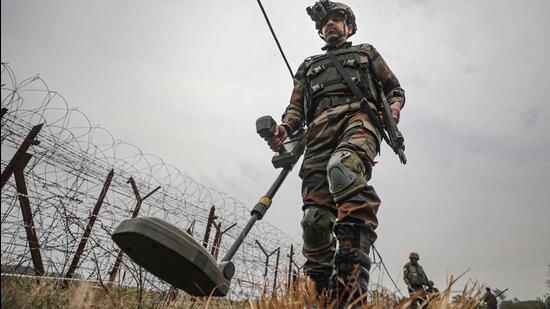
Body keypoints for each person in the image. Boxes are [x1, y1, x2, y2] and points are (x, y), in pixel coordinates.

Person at [265, 0, 405, 305]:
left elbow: (394, 87)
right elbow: (295, 109)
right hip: (316, 133)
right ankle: (320, 293)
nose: (329, 24)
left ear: (348, 27)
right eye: (325, 21)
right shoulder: (308, 66)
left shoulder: (365, 52)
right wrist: (284, 130)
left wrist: (394, 106)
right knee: (313, 220)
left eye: (336, 20)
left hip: (358, 118)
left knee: (343, 168)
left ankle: (351, 285)